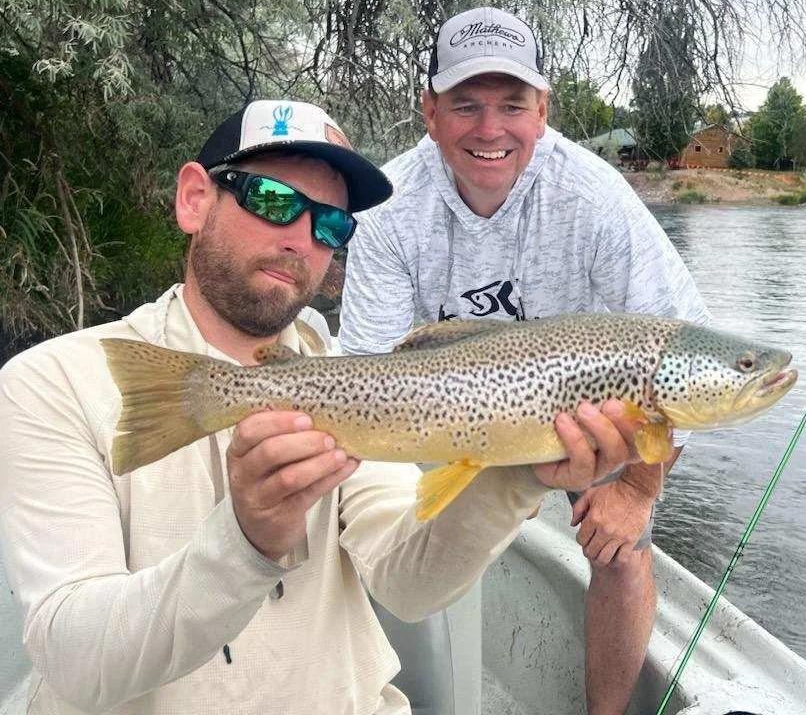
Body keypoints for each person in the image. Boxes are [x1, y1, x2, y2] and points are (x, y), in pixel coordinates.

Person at [0, 99, 646, 715]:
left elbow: (408, 585)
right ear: (195, 198)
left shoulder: (350, 384)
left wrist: (515, 471)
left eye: (331, 224)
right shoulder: (54, 383)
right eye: (275, 201)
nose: (302, 239)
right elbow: (75, 660)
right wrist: (245, 541)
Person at [339, 8, 711, 715]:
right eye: (466, 105)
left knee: (623, 551)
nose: (490, 130)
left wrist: (634, 492)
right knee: (366, 524)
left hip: (588, 409)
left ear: (542, 112)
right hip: (442, 408)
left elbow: (679, 352)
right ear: (429, 110)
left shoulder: (593, 195)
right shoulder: (387, 208)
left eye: (512, 105)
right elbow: (364, 370)